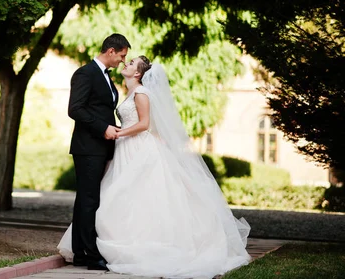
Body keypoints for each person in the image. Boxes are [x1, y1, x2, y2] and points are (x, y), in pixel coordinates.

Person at [59, 56, 251, 278]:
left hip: (135, 146)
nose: (125, 63)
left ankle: (137, 244)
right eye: (125, 59)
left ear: (139, 74)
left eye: (130, 62)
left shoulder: (141, 93)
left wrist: (118, 132)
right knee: (119, 195)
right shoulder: (128, 91)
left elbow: (144, 124)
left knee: (135, 194)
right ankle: (98, 246)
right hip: (124, 147)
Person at [66, 33, 131, 270]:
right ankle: (91, 255)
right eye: (122, 55)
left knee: (87, 198)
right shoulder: (85, 73)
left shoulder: (106, 78)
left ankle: (80, 252)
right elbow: (75, 109)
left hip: (102, 147)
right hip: (88, 147)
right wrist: (102, 127)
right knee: (89, 199)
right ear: (111, 51)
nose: (123, 61)